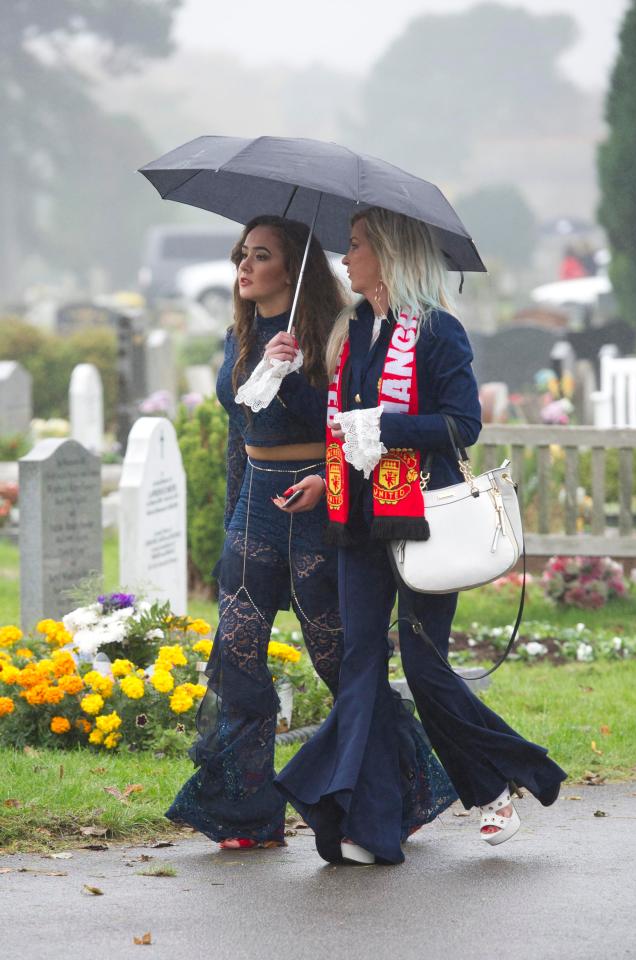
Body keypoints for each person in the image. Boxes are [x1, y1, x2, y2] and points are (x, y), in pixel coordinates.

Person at [275, 207, 567, 865]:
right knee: (358, 665)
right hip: (356, 520)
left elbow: (462, 424)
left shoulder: (438, 332)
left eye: (353, 247)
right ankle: (363, 822)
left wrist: (390, 428)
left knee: (424, 665)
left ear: (388, 254)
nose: (343, 260)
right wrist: (287, 382)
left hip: (420, 520)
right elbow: (342, 430)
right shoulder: (351, 332)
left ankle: (496, 784)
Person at [166, 215, 346, 849]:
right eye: (242, 253)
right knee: (239, 652)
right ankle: (248, 814)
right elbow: (240, 433)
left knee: (335, 657)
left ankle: (385, 786)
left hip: (317, 502)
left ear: (292, 270)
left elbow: (346, 425)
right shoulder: (238, 337)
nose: (244, 265)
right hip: (257, 506)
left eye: (261, 255)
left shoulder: (333, 337)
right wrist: (233, 516)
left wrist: (293, 373)